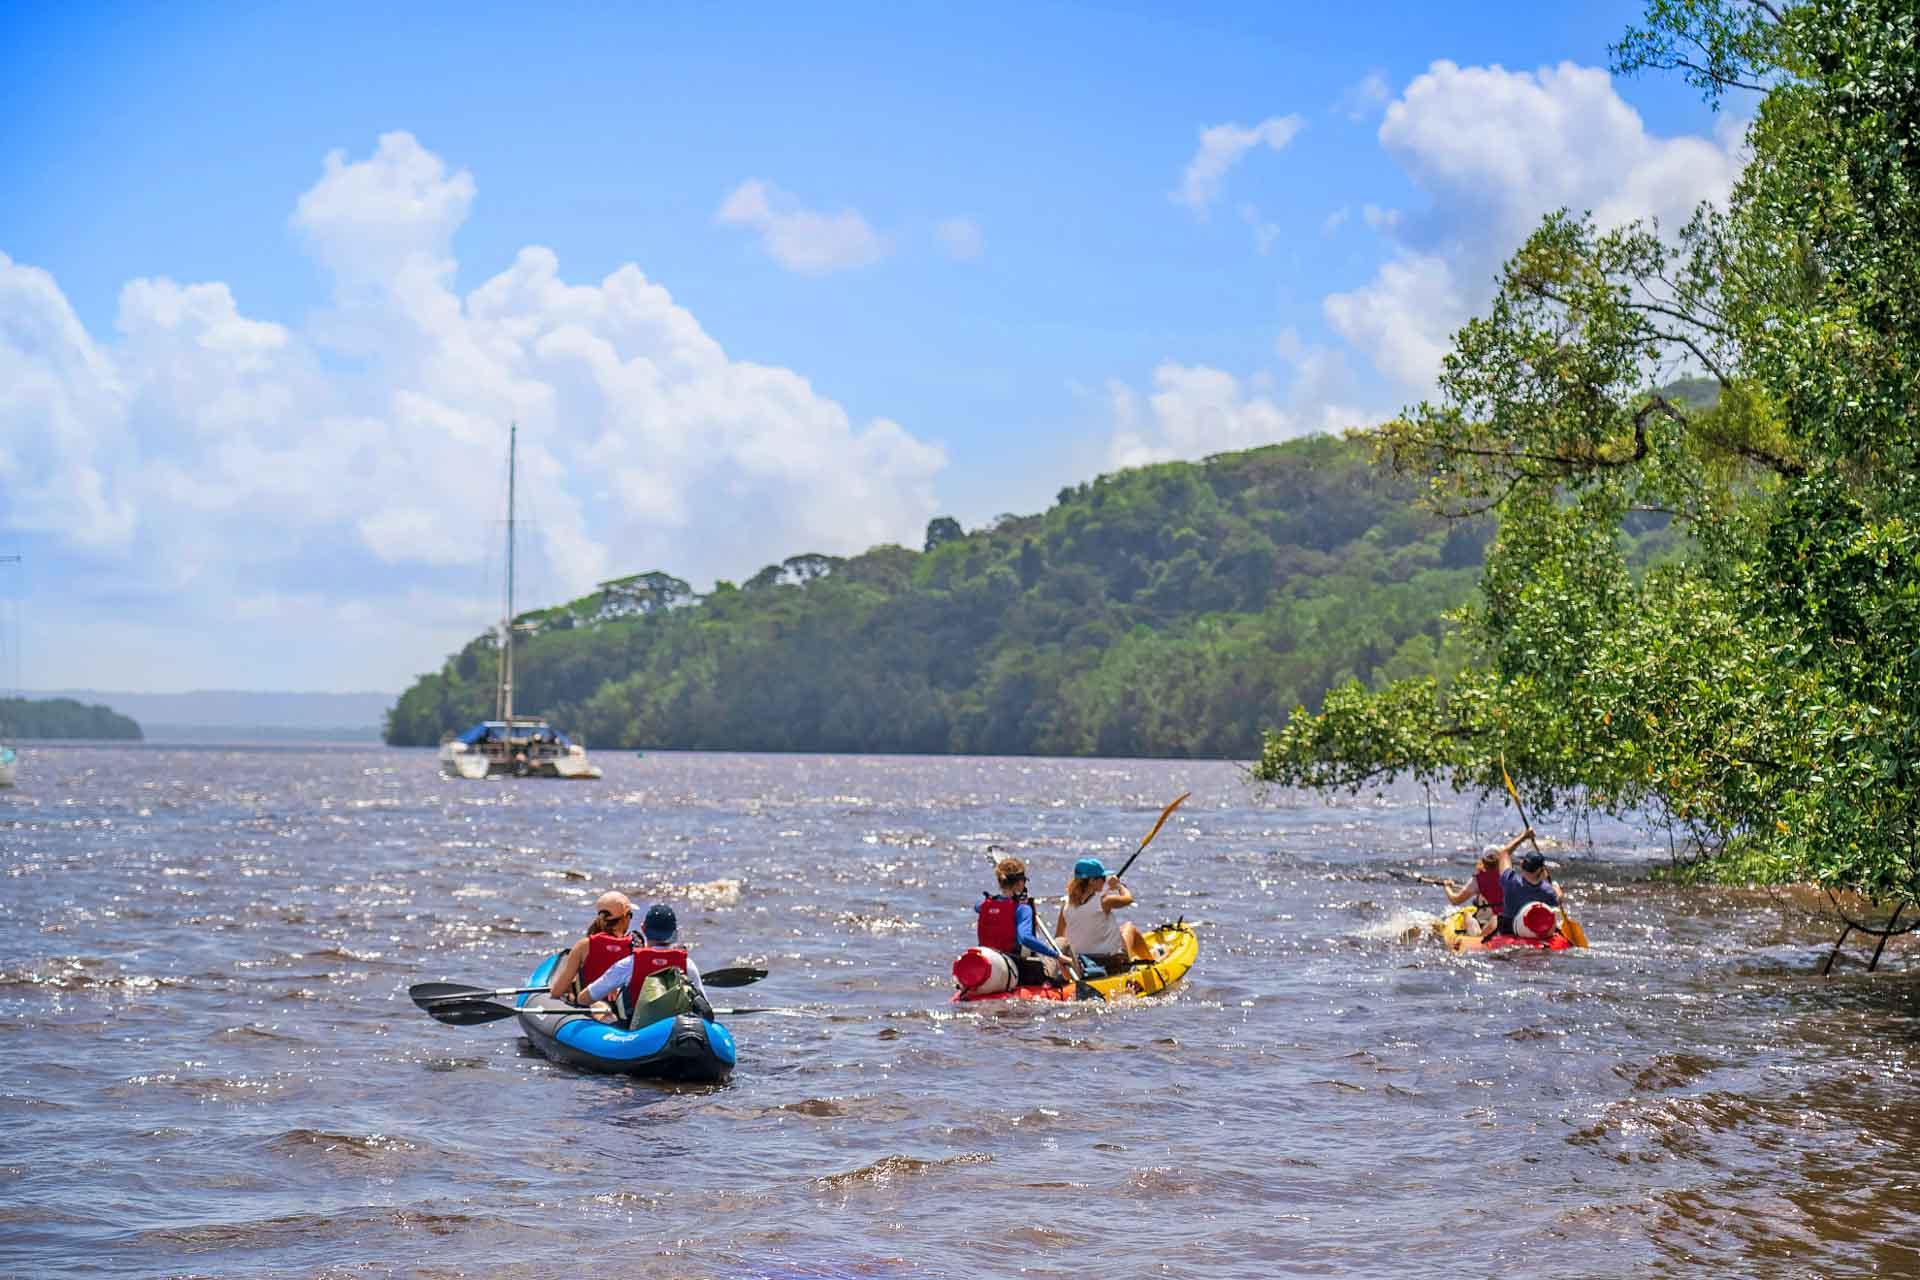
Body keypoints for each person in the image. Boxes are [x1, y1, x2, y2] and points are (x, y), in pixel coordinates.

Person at [580, 902, 714, 1023]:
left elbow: (585, 998)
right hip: (676, 1029)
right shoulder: (687, 964)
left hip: (637, 1031)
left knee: (598, 1004)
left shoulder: (628, 964)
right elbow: (705, 1005)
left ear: (643, 928)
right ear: (674, 932)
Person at [975, 856, 1077, 985]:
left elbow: (979, 907)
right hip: (1020, 969)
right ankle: (1080, 983)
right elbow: (1025, 938)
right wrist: (1057, 956)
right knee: (1062, 942)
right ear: (1020, 883)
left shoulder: (984, 906)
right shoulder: (1022, 909)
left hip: (992, 965)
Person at [1056, 858, 1156, 975]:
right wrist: (1119, 886)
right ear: (1092, 881)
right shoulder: (1104, 901)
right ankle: (1151, 961)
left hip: (1082, 963)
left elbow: (1059, 937)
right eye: (1103, 878)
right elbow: (1128, 899)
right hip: (1112, 963)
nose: (1105, 881)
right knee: (1129, 928)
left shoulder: (1067, 904)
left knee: (1117, 931)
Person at [545, 890, 636, 1000]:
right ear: (626, 917)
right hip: (624, 1011)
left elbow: (556, 992)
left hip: (590, 1006)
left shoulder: (584, 945)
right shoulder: (637, 946)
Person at [1441, 829, 1531, 936]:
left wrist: (1447, 887)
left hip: (1500, 921)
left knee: (1467, 915)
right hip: (1516, 918)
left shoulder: (1478, 880)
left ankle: (1477, 936)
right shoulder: (1508, 874)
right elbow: (1506, 852)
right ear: (1501, 860)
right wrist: (1524, 836)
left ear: (1483, 861)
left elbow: (1455, 900)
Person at [1495, 838, 1565, 938]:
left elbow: (1504, 853)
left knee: (1495, 919)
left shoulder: (1510, 880)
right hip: (1537, 932)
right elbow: (1559, 899)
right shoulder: (1549, 891)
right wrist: (1556, 886)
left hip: (1509, 930)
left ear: (1522, 864)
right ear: (1541, 870)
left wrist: (1524, 836)